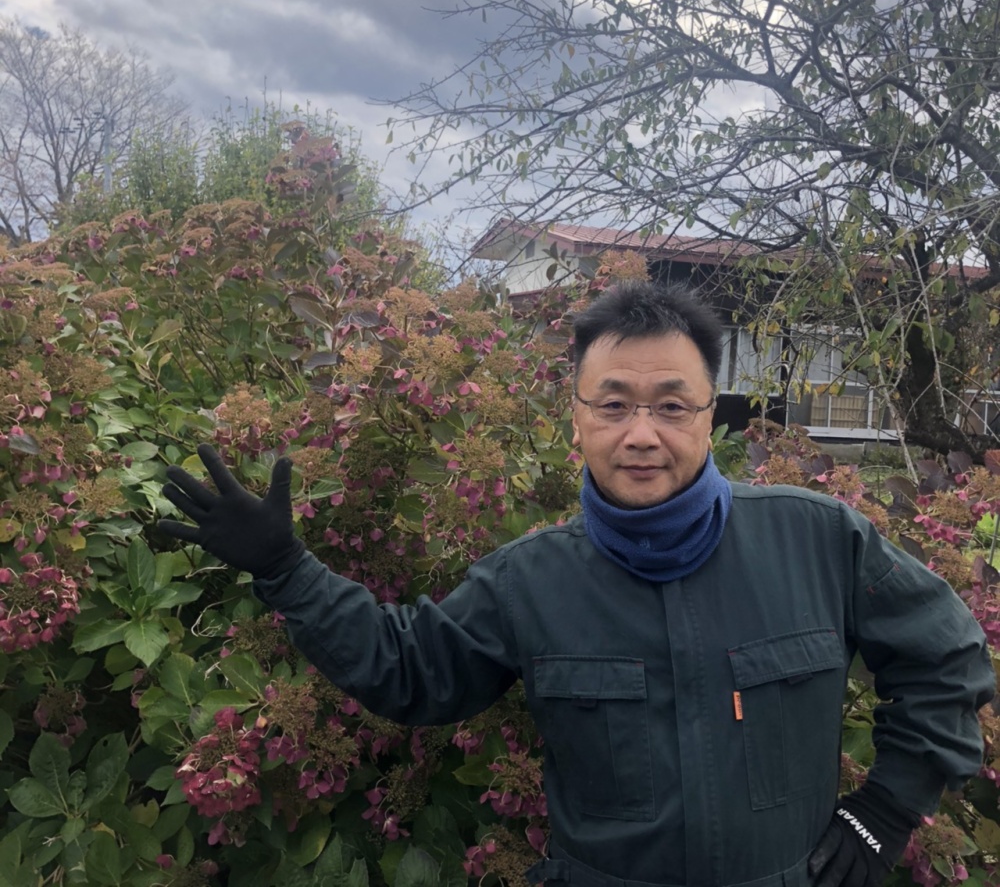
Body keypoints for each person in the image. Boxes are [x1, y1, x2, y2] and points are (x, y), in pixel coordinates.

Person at [159, 281, 994, 887]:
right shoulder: (529, 581)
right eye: (614, 404)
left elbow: (946, 659)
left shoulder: (817, 540)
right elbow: (410, 673)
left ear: (711, 415)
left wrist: (886, 811)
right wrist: (287, 569)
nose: (642, 434)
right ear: (578, 417)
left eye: (672, 406)